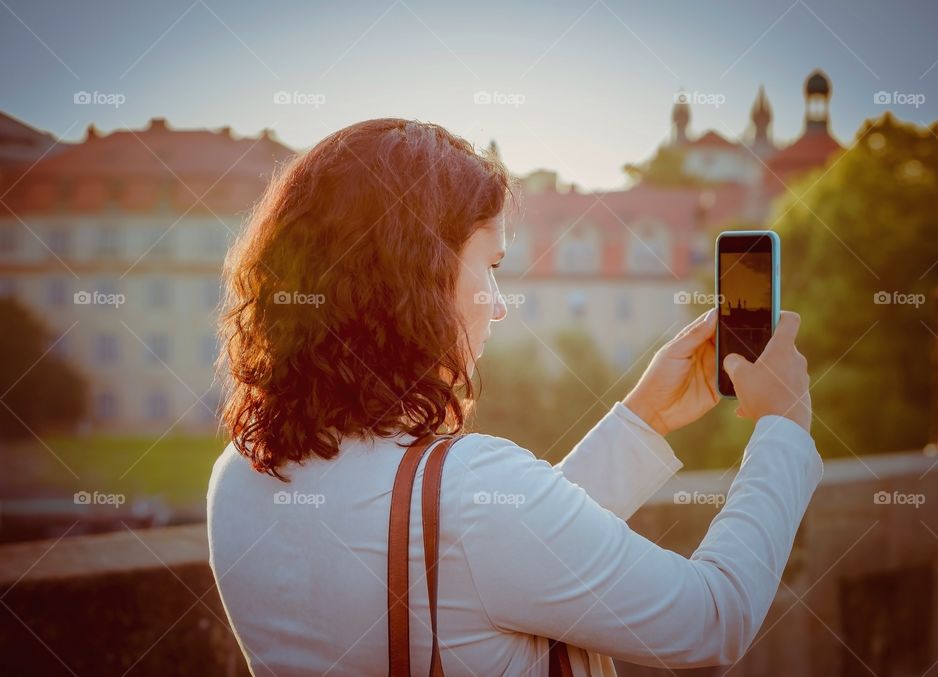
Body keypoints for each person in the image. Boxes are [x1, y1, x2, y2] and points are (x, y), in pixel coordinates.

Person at [207, 118, 822, 676]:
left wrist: (646, 419)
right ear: (419, 277)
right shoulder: (469, 492)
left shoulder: (237, 475)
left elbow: (493, 558)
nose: (499, 304)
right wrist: (783, 431)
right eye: (492, 264)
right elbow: (712, 620)